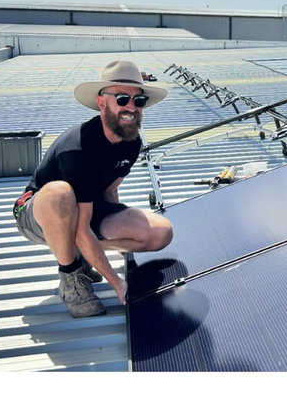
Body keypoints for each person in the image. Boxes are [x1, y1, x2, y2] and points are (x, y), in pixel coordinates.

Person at [12, 60, 173, 317]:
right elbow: (79, 223)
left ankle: (85, 254)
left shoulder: (131, 143)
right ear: (102, 102)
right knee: (60, 194)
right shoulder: (77, 149)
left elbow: (109, 192)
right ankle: (71, 276)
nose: (131, 106)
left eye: (138, 101)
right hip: (38, 215)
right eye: (122, 99)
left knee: (161, 233)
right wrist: (117, 283)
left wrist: (124, 241)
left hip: (85, 209)